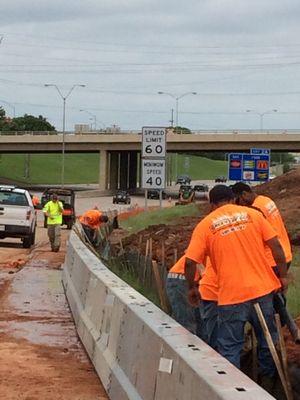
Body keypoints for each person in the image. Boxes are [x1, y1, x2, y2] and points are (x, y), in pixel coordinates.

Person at [184, 185, 287, 390]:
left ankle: (233, 391)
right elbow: (276, 245)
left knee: (230, 346)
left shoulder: (205, 226)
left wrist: (192, 288)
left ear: (211, 205)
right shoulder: (253, 215)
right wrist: (283, 276)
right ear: (233, 199)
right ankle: (266, 384)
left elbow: (189, 263)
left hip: (231, 297)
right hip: (262, 290)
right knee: (267, 338)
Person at [231, 182, 292, 326]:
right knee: (276, 296)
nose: (240, 206)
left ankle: (278, 329)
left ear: (244, 194)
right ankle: (283, 327)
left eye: (238, 201)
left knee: (267, 299)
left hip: (272, 258)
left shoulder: (256, 209)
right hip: (284, 254)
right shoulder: (266, 200)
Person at [165, 255, 201, 335]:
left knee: (188, 320)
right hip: (182, 279)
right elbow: (191, 262)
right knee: (187, 325)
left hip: (182, 279)